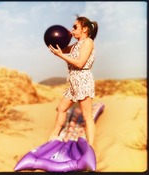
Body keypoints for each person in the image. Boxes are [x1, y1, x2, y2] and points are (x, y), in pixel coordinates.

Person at [48, 15, 98, 147]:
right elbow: (60, 49)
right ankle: (54, 135)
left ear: (85, 29)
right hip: (73, 82)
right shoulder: (76, 44)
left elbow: (80, 63)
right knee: (61, 108)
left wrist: (61, 55)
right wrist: (56, 43)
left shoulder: (88, 42)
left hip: (82, 80)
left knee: (87, 116)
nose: (72, 29)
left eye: (75, 27)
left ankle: (91, 148)